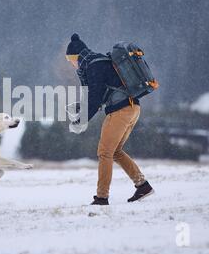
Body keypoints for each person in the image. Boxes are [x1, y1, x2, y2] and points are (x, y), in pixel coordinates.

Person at [65, 33, 154, 205]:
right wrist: (80, 108)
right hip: (133, 108)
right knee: (115, 152)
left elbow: (96, 98)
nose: (71, 64)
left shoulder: (92, 66)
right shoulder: (99, 61)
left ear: (76, 57)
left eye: (71, 60)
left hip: (121, 110)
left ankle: (102, 197)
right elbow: (99, 96)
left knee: (104, 152)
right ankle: (143, 186)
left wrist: (82, 120)